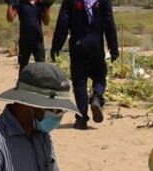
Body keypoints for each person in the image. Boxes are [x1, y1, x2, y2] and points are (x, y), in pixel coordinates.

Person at [50, 0, 119, 130]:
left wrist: (56, 46)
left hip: (78, 45)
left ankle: (81, 118)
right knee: (99, 76)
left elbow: (63, 23)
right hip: (96, 45)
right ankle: (97, 97)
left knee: (79, 82)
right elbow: (109, 23)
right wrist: (113, 48)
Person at [7, 0, 53, 69]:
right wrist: (10, 4)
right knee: (23, 65)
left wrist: (47, 7)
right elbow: (10, 19)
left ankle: (39, 80)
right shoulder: (20, 3)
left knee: (41, 65)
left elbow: (46, 22)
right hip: (24, 40)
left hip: (38, 39)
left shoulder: (40, 4)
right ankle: (23, 80)